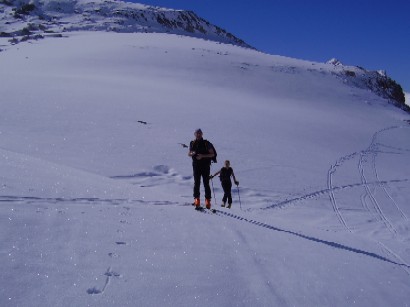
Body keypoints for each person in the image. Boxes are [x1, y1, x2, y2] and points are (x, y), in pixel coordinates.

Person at [188, 129, 215, 209]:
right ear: (195, 134)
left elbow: (212, 154)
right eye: (197, 133)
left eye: (200, 133)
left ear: (202, 134)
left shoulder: (207, 143)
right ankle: (197, 199)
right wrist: (192, 153)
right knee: (197, 183)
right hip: (196, 166)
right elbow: (189, 153)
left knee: (206, 183)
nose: (198, 135)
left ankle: (208, 201)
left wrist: (202, 156)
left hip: (205, 166)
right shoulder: (192, 143)